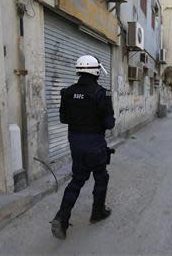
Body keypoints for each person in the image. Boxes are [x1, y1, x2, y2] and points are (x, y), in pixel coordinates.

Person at [51, 55, 115, 240]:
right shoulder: (101, 93)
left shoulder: (67, 92)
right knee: (101, 177)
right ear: (95, 70)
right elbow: (109, 124)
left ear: (79, 70)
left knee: (77, 180)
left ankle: (61, 219)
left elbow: (64, 119)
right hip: (95, 145)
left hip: (76, 144)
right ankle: (97, 213)